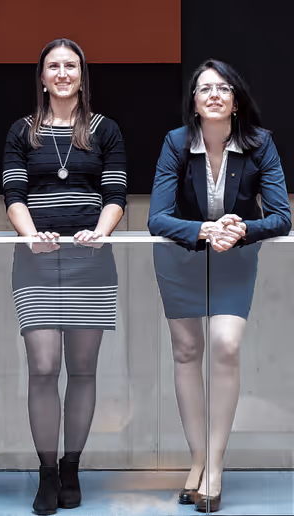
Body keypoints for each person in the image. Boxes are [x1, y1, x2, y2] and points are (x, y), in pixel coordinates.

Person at [148, 59, 290, 513]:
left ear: (236, 101)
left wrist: (242, 229)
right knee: (187, 352)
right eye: (205, 89)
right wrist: (204, 230)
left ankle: (215, 465)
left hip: (235, 259)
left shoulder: (259, 144)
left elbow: (282, 217)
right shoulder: (175, 143)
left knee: (226, 346)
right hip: (181, 259)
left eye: (223, 89)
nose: (214, 95)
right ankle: (198, 460)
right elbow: (157, 219)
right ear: (194, 102)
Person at [2, 39, 127, 515]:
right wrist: (31, 235)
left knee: (83, 367)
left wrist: (100, 232)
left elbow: (115, 194)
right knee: (42, 366)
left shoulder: (104, 129)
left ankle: (72, 467)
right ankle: (47, 472)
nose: (61, 73)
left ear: (81, 74)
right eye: (53, 66)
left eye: (70, 65)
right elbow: (13, 194)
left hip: (90, 261)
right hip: (35, 260)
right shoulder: (22, 130)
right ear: (41, 76)